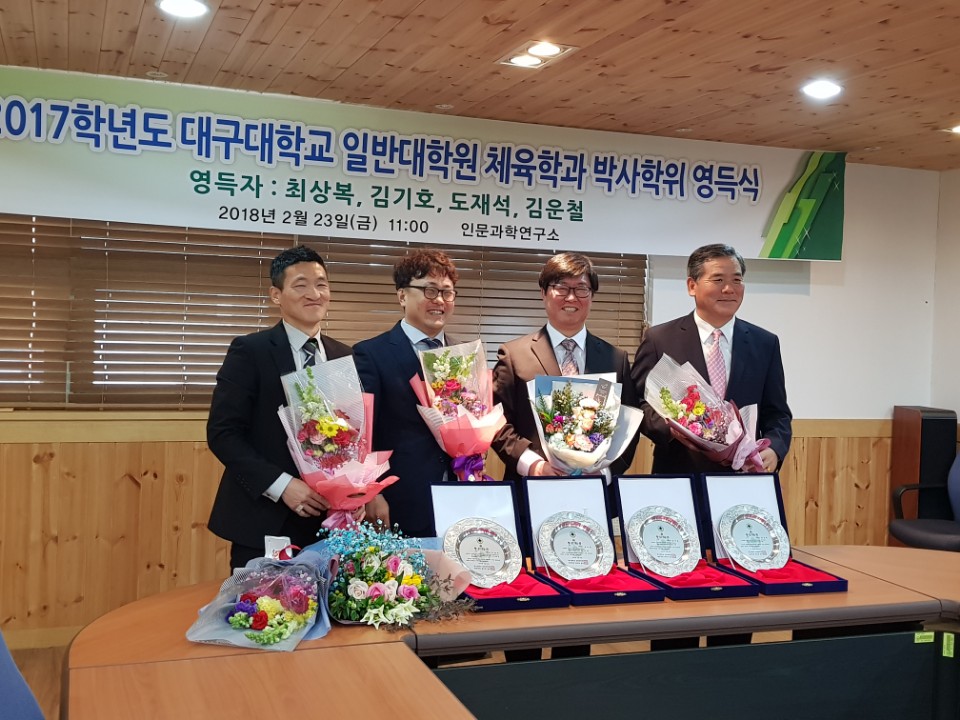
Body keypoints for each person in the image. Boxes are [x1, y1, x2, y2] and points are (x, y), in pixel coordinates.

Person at [631, 243, 792, 648]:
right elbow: (637, 405)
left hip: (742, 486)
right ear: (692, 285)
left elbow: (779, 414)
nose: (729, 288)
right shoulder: (661, 338)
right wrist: (674, 430)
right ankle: (671, 671)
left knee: (739, 592)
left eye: (737, 280)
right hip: (678, 478)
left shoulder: (765, 342)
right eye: (718, 279)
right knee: (677, 586)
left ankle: (728, 671)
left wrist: (774, 449)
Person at [491, 251, 640, 661]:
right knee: (525, 599)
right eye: (562, 287)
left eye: (582, 289)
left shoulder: (615, 357)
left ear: (592, 296)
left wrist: (604, 471)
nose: (572, 297)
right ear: (544, 293)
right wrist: (533, 465)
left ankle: (571, 680)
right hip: (530, 490)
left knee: (582, 596)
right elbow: (496, 425)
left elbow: (628, 426)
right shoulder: (514, 353)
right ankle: (521, 680)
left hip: (591, 497)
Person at [207, 246, 353, 569]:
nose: (314, 294)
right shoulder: (250, 351)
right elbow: (223, 434)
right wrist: (283, 485)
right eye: (301, 285)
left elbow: (353, 434)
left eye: (321, 284)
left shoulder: (344, 355)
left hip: (331, 521)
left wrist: (354, 492)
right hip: (267, 518)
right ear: (276, 295)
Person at [354, 249, 460, 538]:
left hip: (457, 496)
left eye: (447, 292)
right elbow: (362, 435)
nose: (440, 300)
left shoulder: (462, 355)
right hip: (398, 500)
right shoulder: (371, 354)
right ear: (402, 296)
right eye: (429, 290)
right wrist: (371, 492)